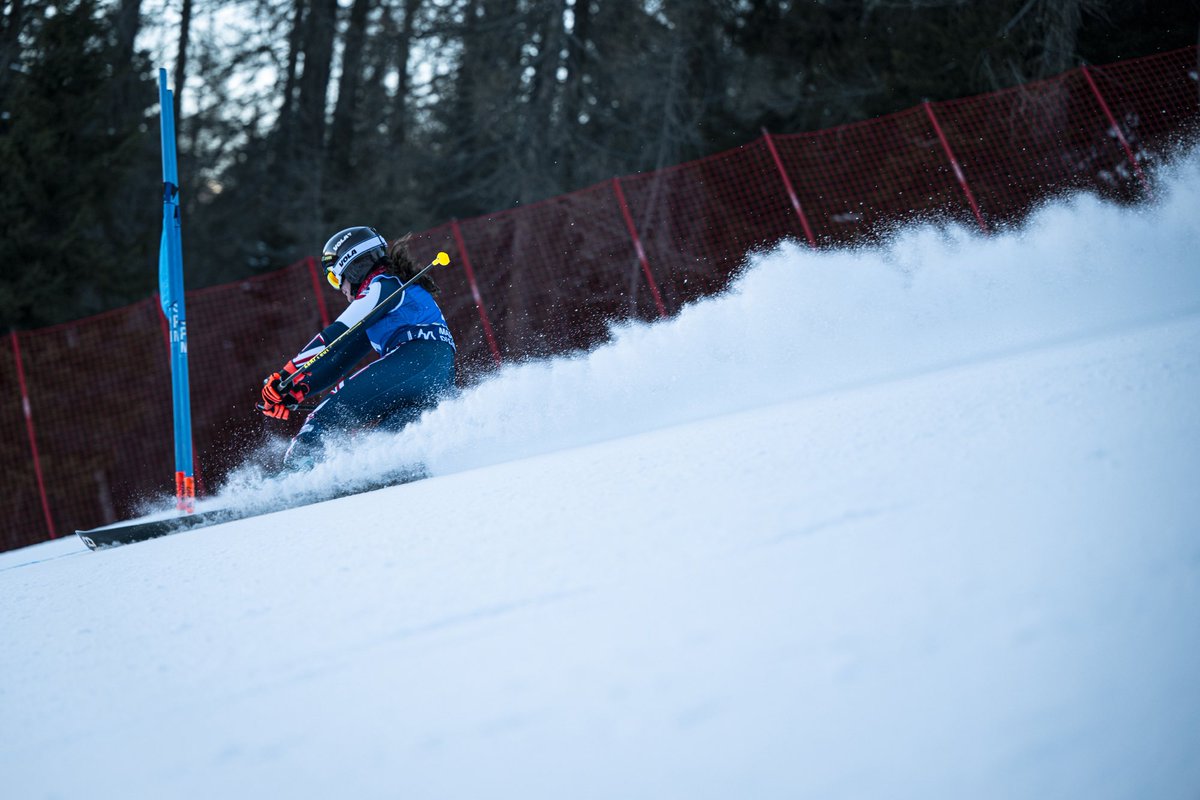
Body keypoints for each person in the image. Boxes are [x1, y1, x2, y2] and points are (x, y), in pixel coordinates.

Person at [258, 226, 456, 470]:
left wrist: (286, 375)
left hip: (414, 358)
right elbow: (342, 357)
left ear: (349, 266)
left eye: (334, 278)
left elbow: (334, 336)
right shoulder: (393, 293)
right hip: (437, 373)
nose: (339, 288)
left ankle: (291, 481)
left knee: (323, 418)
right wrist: (297, 389)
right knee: (389, 438)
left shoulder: (382, 286)